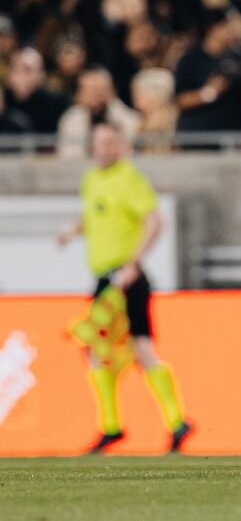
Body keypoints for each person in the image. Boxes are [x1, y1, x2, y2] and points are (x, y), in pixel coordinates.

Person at [56, 123, 191, 454]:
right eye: (98, 142)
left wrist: (134, 263)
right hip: (105, 279)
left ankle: (169, 422)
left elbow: (155, 221)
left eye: (109, 142)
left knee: (137, 346)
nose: (103, 148)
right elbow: (92, 217)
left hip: (126, 279)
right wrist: (71, 233)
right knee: (98, 348)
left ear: (120, 146)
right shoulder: (92, 180)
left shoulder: (128, 178)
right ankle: (119, 425)